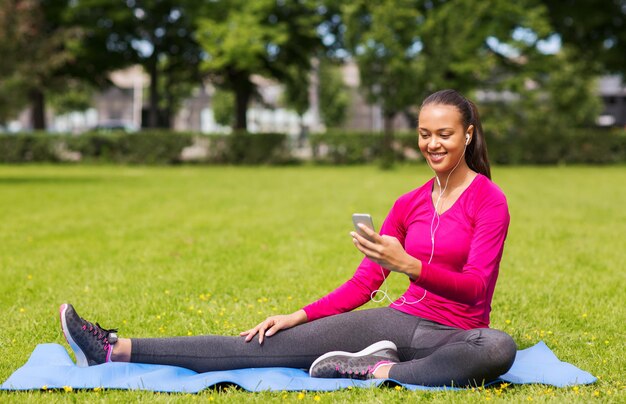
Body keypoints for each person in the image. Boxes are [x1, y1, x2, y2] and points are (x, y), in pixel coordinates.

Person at [59, 89, 517, 387]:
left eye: (444, 134)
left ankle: (380, 369)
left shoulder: (488, 201)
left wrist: (410, 266)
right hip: (401, 321)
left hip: (459, 334)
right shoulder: (408, 203)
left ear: (468, 134)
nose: (433, 144)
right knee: (261, 347)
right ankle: (111, 348)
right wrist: (295, 316)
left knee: (499, 347)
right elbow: (363, 285)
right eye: (424, 134)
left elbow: (477, 287)